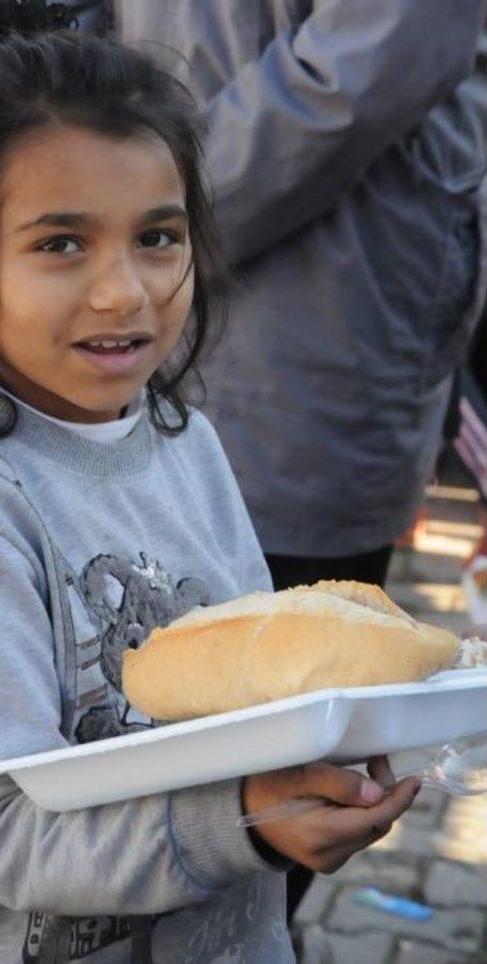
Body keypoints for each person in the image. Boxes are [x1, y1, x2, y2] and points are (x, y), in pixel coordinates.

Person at [0, 2, 420, 961]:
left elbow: (253, 700)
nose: (125, 290)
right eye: (61, 244)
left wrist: (326, 756)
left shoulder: (184, 437)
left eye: (157, 237)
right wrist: (243, 823)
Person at [99, 0, 487, 918]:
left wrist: (137, 208)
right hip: (139, 312)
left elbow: (366, 62)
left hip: (310, 327)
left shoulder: (133, 227)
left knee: (286, 777)